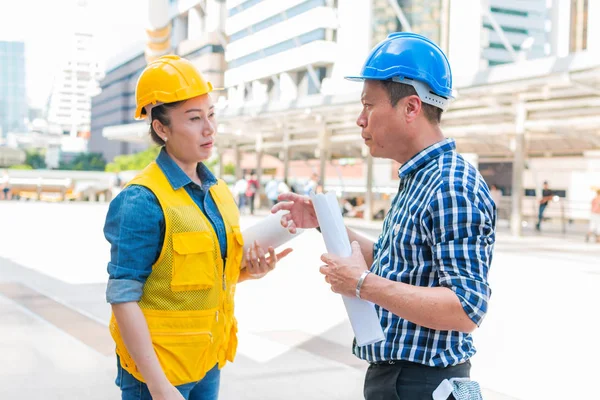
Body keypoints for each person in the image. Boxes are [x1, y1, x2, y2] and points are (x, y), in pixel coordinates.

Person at [273, 32, 495, 399]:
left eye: (369, 106)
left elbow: (464, 307)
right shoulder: (421, 178)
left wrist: (361, 284)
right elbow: (400, 261)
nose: (360, 120)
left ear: (411, 108)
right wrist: (325, 223)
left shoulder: (451, 184)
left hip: (423, 385)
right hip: (403, 381)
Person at [104, 55, 292, 400]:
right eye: (194, 119)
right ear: (161, 128)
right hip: (158, 373)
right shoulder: (142, 200)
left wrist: (250, 270)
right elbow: (122, 298)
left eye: (211, 115)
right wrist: (159, 386)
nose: (209, 128)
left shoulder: (218, 192)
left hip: (207, 362)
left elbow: (202, 276)